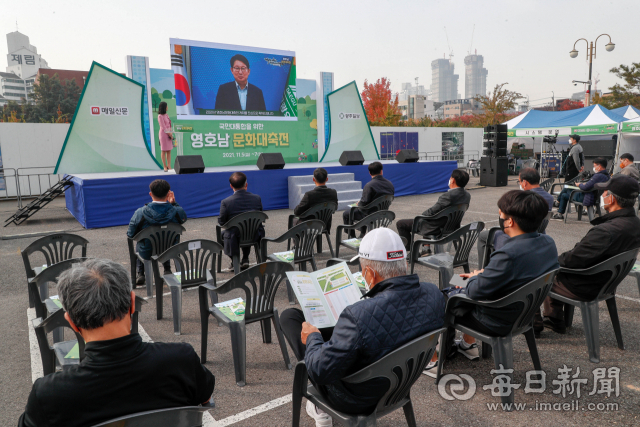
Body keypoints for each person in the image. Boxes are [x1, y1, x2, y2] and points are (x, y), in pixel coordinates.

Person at [18, 259, 215, 427]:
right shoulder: (181, 360)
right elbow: (204, 398)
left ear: (71, 322)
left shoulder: (48, 394)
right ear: (131, 303)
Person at [280, 228, 445, 425]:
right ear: (404, 263)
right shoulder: (433, 294)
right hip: (400, 385)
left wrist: (313, 337)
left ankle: (319, 408)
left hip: (355, 398)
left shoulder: (357, 315)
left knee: (290, 317)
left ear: (369, 273)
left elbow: (319, 370)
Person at [445, 190, 558, 361]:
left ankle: (440, 353)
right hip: (523, 312)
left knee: (447, 291)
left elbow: (475, 291)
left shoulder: (508, 253)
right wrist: (484, 273)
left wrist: (475, 275)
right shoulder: (547, 242)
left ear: (510, 221)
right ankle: (468, 344)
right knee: (457, 280)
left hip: (495, 319)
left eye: (501, 216)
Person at [540, 175, 640, 334]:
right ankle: (553, 317)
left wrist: (549, 264)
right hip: (607, 281)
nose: (602, 196)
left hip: (586, 284)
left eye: (605, 192)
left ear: (612, 199)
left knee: (540, 275)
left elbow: (573, 259)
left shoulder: (606, 231)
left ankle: (536, 323)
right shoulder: (634, 223)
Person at [477, 168, 554, 267]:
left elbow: (511, 222)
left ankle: (483, 268)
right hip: (538, 232)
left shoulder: (525, 199)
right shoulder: (549, 197)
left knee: (484, 235)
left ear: (525, 182)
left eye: (520, 181)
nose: (520, 184)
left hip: (520, 234)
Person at [127, 179, 187, 285]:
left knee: (141, 242)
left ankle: (141, 273)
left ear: (150, 194)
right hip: (171, 249)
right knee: (165, 239)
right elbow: (183, 218)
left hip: (147, 251)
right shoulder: (177, 211)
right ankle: (167, 269)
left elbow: (131, 234)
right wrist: (174, 203)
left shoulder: (140, 212)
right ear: (169, 193)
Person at [396, 169, 470, 253]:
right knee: (429, 218)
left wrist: (423, 214)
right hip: (452, 226)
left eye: (450, 177)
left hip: (437, 228)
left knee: (402, 223)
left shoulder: (448, 196)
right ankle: (426, 249)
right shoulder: (467, 195)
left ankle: (409, 251)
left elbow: (432, 212)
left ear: (452, 180)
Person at [219, 171, 264, 270]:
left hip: (235, 236)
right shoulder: (257, 198)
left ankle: (235, 260)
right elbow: (260, 215)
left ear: (231, 186)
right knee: (246, 227)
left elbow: (221, 222)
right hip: (255, 234)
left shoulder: (226, 202)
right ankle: (245, 259)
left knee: (224, 234)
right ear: (246, 184)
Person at [342, 161, 394, 226]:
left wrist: (358, 203)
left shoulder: (369, 185)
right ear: (381, 171)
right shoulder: (390, 184)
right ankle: (363, 233)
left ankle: (352, 235)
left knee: (346, 214)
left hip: (369, 215)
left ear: (369, 173)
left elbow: (363, 204)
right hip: (383, 213)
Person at [157, 101, 174, 172]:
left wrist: (171, 133)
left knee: (169, 150)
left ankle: (169, 165)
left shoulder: (167, 115)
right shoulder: (160, 116)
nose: (167, 107)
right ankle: (164, 166)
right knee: (163, 150)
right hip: (163, 134)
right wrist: (169, 134)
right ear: (164, 107)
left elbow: (169, 124)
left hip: (169, 133)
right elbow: (163, 127)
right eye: (166, 106)